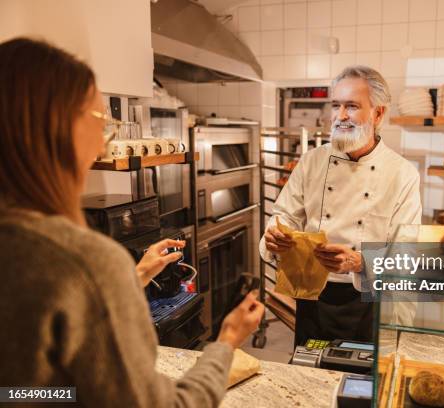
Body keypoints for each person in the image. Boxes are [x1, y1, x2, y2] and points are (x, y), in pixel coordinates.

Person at [0, 38, 264, 407]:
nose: (104, 143)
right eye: (101, 121)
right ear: (61, 129)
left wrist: (135, 275)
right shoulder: (84, 262)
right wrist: (226, 342)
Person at [260, 66, 422, 347]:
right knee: (313, 372)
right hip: (313, 295)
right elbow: (284, 215)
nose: (341, 116)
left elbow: (405, 255)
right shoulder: (312, 161)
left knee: (359, 381)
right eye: (336, 105)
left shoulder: (402, 174)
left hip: (368, 301)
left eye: (352, 106)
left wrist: (359, 262)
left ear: (378, 113)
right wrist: (276, 234)